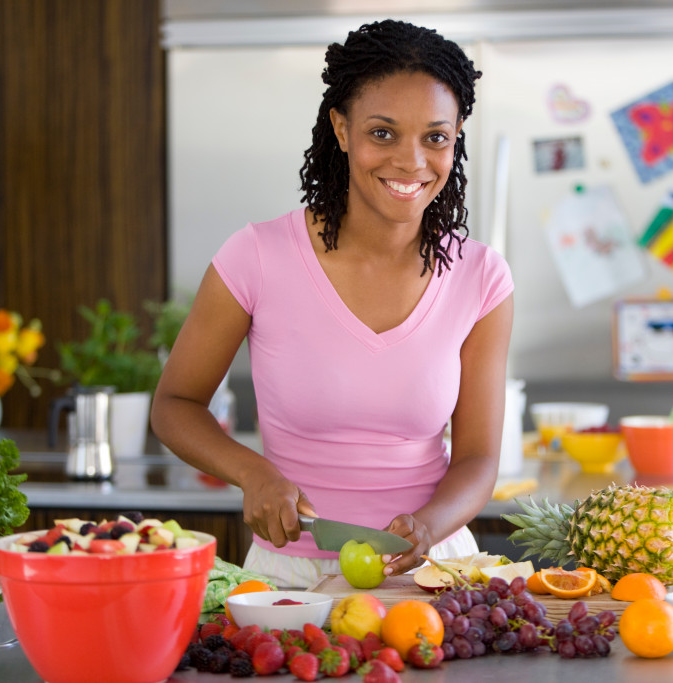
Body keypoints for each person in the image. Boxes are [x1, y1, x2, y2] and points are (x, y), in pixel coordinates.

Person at [151, 19, 514, 589]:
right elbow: (174, 404)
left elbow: (476, 460)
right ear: (341, 130)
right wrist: (253, 473)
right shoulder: (256, 256)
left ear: (456, 136)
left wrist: (428, 526)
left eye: (435, 137)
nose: (412, 162)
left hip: (432, 573)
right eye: (384, 133)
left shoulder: (481, 277)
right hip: (289, 577)